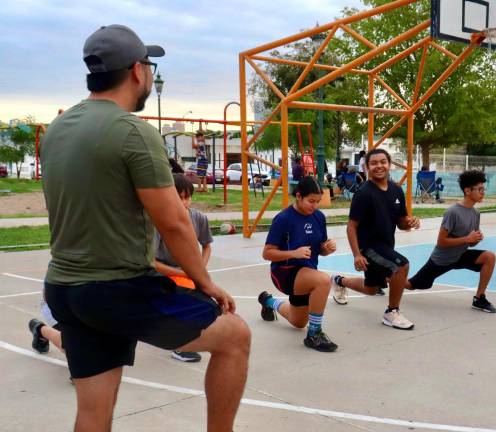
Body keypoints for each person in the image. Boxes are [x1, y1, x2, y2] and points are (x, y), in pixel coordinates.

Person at [41, 25, 250, 432]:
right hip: (117, 288)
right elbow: (172, 221)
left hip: (64, 288)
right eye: (150, 68)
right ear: (138, 71)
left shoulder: (57, 130)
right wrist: (204, 282)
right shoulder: (133, 132)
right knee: (235, 335)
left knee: (92, 412)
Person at [331, 149, 420, 329]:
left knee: (371, 289)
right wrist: (357, 254)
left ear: (389, 164)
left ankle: (338, 281)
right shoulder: (363, 193)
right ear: (367, 167)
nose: (379, 166)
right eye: (374, 163)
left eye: (383, 162)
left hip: (386, 245)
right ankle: (392, 312)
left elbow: (401, 222)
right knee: (401, 265)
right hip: (369, 247)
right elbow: (351, 226)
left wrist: (410, 221)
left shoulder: (396, 190)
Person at [258, 177, 339, 352]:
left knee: (298, 322)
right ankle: (314, 334)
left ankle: (268, 301)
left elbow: (319, 250)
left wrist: (326, 249)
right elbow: (267, 253)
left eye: (318, 202)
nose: (315, 206)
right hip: (284, 272)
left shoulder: (318, 217)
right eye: (311, 201)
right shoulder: (283, 219)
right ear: (299, 196)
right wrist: (293, 253)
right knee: (323, 281)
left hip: (307, 273)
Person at [405, 170, 496, 312]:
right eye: (479, 189)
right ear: (467, 191)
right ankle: (383, 279)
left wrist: (475, 240)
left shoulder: (476, 213)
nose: (482, 192)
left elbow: (470, 242)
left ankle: (479, 298)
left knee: (489, 257)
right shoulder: (453, 212)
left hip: (459, 256)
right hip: (441, 260)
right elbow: (441, 242)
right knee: (410, 285)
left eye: (483, 189)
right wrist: (467, 239)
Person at [153, 174, 213, 363]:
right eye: (180, 197)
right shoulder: (158, 221)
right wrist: (183, 273)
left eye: (187, 197)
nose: (184, 202)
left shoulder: (198, 218)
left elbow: (207, 246)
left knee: (208, 302)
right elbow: (151, 262)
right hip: (162, 271)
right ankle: (180, 346)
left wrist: (200, 269)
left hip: (188, 271)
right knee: (184, 298)